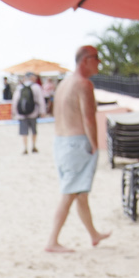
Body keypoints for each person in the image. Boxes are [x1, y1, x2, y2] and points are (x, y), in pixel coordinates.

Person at [45, 45, 111, 255]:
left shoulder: (64, 83)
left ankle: (93, 234)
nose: (99, 62)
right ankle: (52, 240)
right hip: (76, 143)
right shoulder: (84, 84)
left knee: (80, 192)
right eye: (96, 58)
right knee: (69, 193)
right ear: (86, 60)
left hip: (61, 142)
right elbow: (89, 118)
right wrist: (95, 144)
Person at [15, 72, 45, 154]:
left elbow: (15, 100)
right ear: (32, 78)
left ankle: (25, 147)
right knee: (34, 130)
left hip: (22, 114)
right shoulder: (36, 87)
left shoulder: (20, 87)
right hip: (33, 113)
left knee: (24, 132)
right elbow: (40, 100)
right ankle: (33, 146)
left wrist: (15, 112)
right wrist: (42, 111)